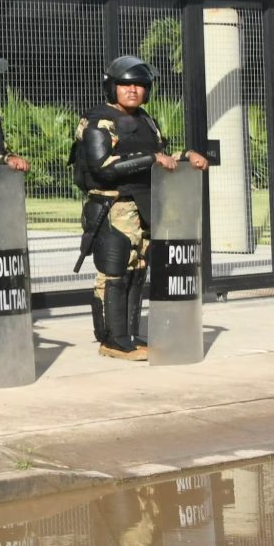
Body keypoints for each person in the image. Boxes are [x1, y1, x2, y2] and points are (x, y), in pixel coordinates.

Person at [74, 55, 209, 361]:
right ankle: (112, 339)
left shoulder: (145, 120)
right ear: (111, 87)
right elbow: (103, 168)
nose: (133, 90)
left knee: (137, 270)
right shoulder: (98, 120)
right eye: (125, 84)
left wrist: (186, 156)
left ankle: (129, 335)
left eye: (139, 85)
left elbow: (159, 155)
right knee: (114, 272)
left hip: (144, 206)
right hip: (113, 205)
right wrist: (150, 160)